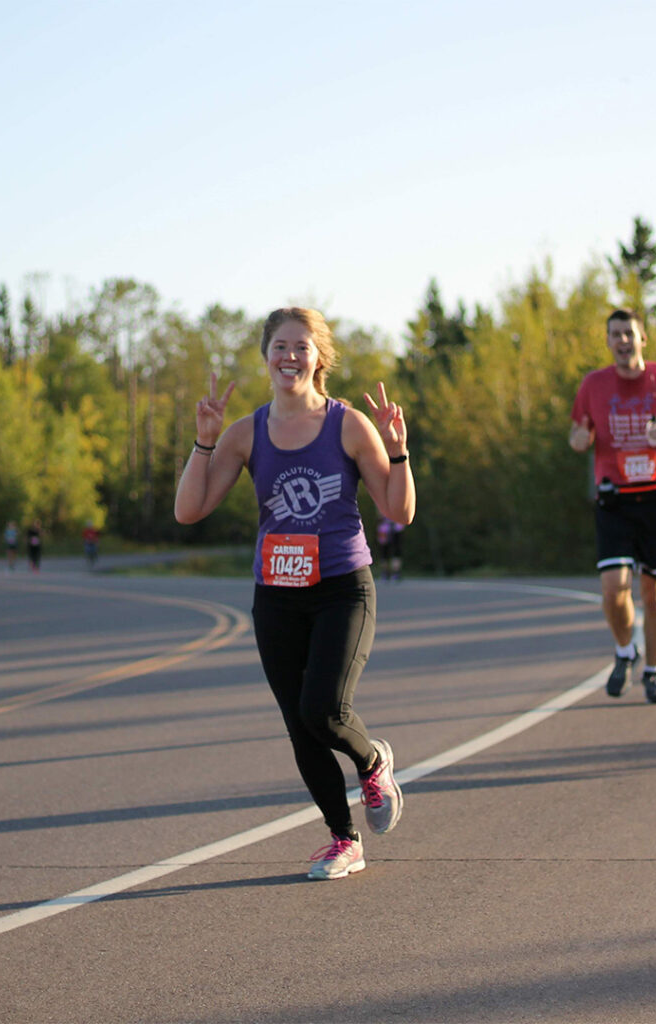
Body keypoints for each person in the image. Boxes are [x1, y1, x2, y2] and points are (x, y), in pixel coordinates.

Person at [174, 307, 416, 880]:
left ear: (320, 357)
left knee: (323, 710)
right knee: (297, 723)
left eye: (301, 347)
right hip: (276, 595)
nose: (289, 357)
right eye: (280, 346)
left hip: (342, 589)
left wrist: (397, 449)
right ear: (266, 357)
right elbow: (189, 510)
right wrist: (204, 443)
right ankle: (344, 840)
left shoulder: (348, 425)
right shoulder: (246, 432)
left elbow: (399, 511)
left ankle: (372, 759)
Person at [569, 309, 656, 705]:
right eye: (615, 334)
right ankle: (625, 651)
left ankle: (654, 672)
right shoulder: (594, 384)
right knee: (614, 589)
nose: (623, 340)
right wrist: (579, 439)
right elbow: (578, 432)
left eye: (629, 333)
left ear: (643, 338)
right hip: (614, 499)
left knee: (653, 593)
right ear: (608, 341)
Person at [375, 513, 405, 580]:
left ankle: (395, 572)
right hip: (385, 529)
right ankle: (386, 572)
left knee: (396, 551)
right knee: (384, 551)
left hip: (396, 528)